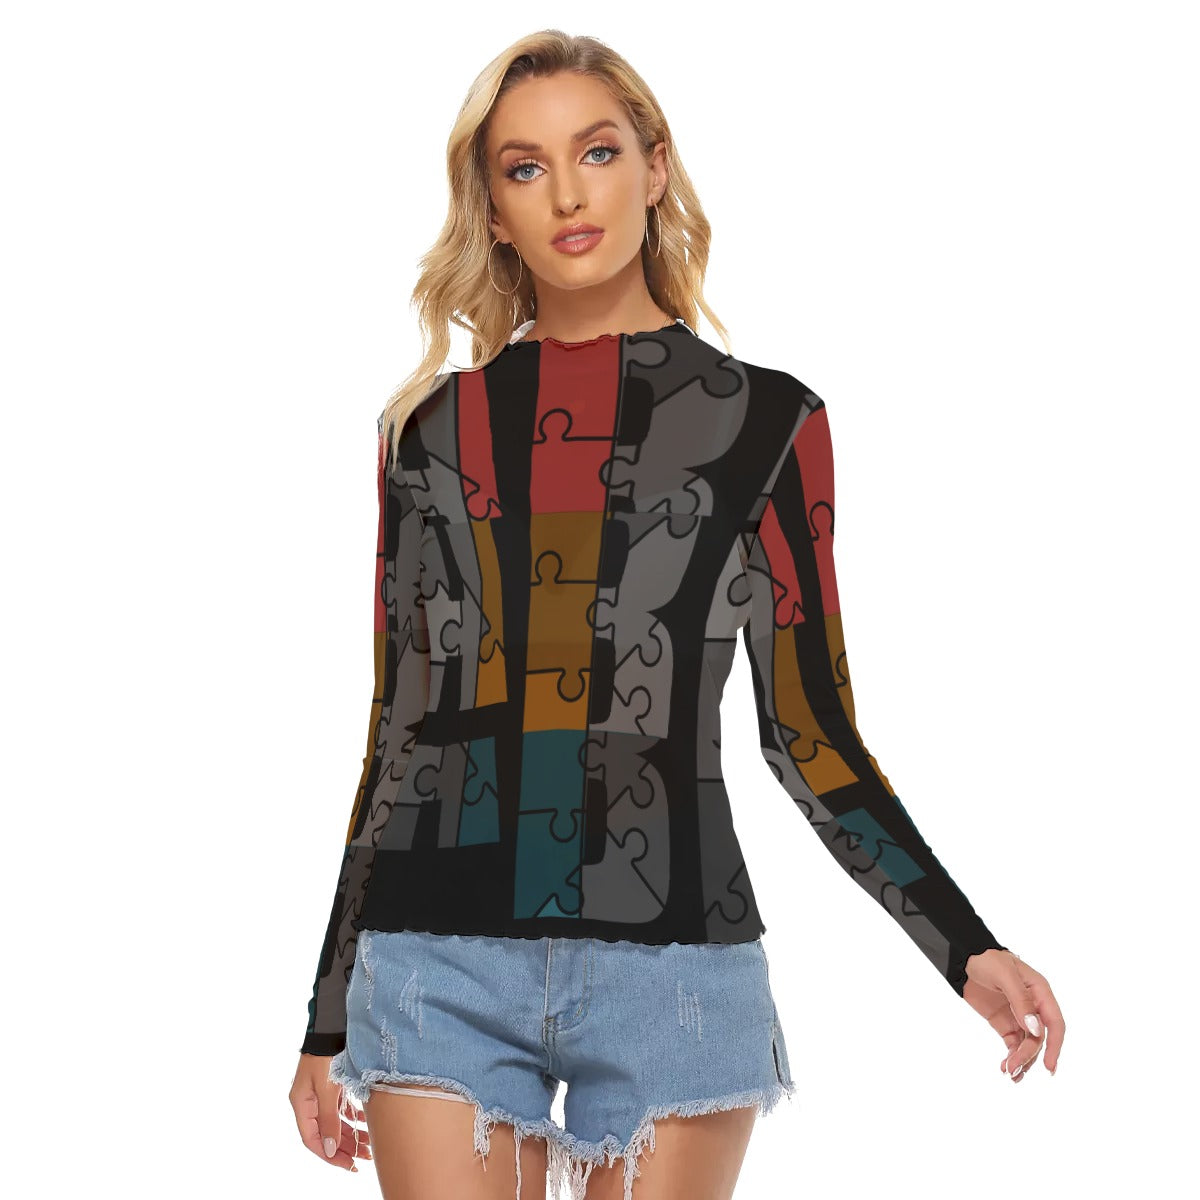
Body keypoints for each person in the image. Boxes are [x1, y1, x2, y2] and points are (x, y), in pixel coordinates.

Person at [288, 29, 1065, 1200]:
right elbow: (399, 729)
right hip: (437, 960)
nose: (569, 194)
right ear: (494, 212)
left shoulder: (768, 424)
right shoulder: (429, 433)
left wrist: (965, 945)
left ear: (656, 166)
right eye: (524, 167)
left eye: (597, 151)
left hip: (677, 971)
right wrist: (326, 1013)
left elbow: (809, 732)